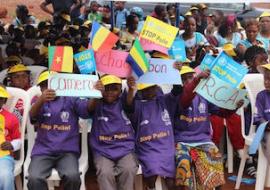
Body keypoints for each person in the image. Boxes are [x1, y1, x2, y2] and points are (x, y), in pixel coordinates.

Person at [27, 71, 102, 190]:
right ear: (40, 89)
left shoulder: (71, 98)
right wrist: (41, 100)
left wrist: (96, 95)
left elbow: (87, 109)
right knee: (34, 178)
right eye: (44, 85)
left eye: (52, 83)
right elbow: (32, 117)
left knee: (72, 176)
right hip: (43, 151)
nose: (48, 88)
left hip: (67, 151)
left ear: (60, 84)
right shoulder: (38, 101)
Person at [174, 66, 243, 190]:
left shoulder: (204, 95)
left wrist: (234, 106)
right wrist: (196, 80)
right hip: (182, 142)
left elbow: (222, 112)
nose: (188, 81)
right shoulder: (177, 97)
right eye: (184, 79)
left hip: (203, 141)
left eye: (190, 77)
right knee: (183, 166)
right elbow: (186, 100)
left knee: (216, 159)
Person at [126, 70, 182, 190]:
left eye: (152, 88)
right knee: (151, 176)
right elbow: (129, 106)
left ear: (157, 87)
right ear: (141, 91)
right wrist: (131, 89)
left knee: (173, 183)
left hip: (167, 148)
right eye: (146, 89)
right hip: (148, 149)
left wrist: (176, 72)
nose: (149, 91)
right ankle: (150, 187)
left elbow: (177, 91)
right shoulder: (138, 105)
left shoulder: (164, 101)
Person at [89, 75, 138, 190]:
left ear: (120, 90)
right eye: (106, 88)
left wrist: (131, 89)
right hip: (102, 150)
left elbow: (129, 103)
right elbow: (88, 108)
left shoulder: (123, 101)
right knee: (105, 172)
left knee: (129, 169)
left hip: (125, 148)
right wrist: (96, 94)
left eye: (114, 89)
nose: (110, 92)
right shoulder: (97, 102)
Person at [0, 84, 21, 190]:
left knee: (5, 176)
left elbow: (19, 140)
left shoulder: (11, 118)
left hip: (3, 156)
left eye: (0, 98)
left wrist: (12, 145)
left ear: (4, 101)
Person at [254, 63, 270, 164]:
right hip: (265, 131)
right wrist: (267, 124)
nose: (266, 82)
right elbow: (258, 117)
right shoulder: (261, 96)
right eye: (265, 79)